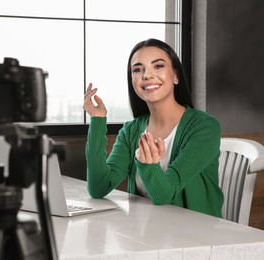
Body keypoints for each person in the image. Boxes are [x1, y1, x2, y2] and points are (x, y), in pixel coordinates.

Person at [83, 38, 224, 218]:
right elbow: (98, 188)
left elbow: (164, 195)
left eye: (158, 66)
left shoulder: (204, 127)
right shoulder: (131, 131)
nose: (147, 75)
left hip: (195, 236)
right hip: (146, 232)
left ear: (176, 76)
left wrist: (146, 164)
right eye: (138, 69)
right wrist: (97, 121)